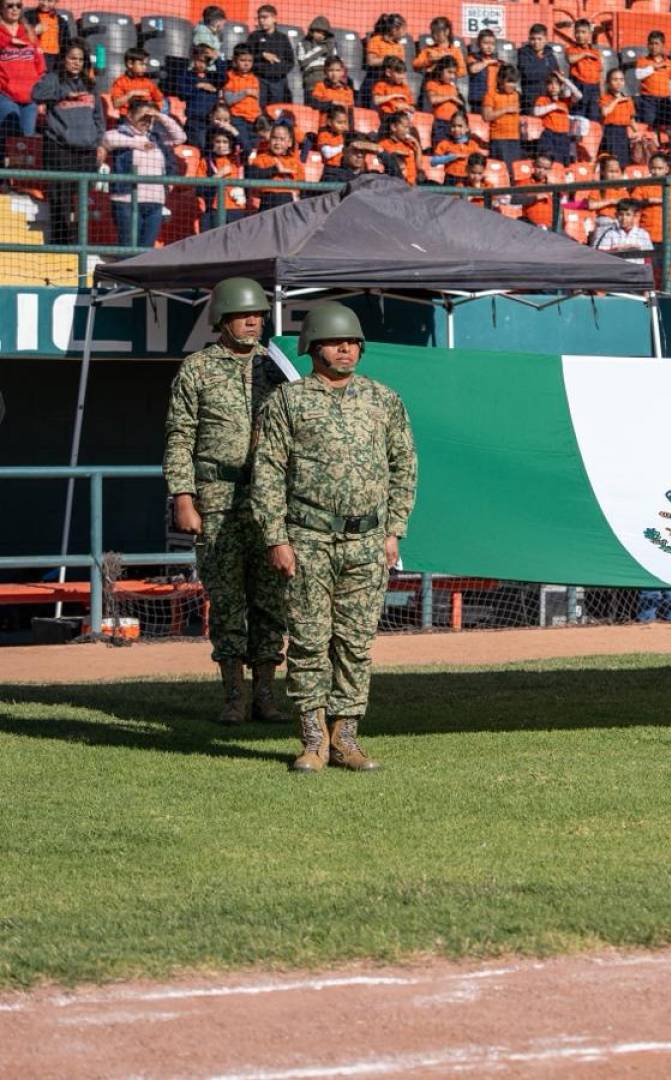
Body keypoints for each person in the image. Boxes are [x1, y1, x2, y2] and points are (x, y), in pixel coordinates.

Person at [253, 301, 417, 772]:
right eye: (335, 341)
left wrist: (394, 530)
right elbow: (267, 474)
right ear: (312, 347)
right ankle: (312, 739)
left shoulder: (383, 399)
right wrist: (275, 538)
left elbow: (404, 465)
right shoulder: (288, 401)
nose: (345, 349)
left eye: (352, 343)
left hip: (367, 543)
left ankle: (345, 736)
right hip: (307, 539)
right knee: (307, 640)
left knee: (355, 641)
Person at [164, 278, 289, 727]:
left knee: (271, 599)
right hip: (216, 498)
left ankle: (266, 695)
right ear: (222, 319)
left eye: (258, 315)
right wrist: (183, 496)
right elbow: (180, 436)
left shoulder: (277, 367)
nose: (253, 321)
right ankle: (234, 696)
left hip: (268, 499)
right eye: (243, 315)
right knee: (228, 599)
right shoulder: (197, 369)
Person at [31, 40, 102, 245]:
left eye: (80, 59)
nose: (76, 63)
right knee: (59, 199)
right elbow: (35, 94)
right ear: (63, 60)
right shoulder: (53, 79)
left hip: (87, 151)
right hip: (60, 149)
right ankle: (60, 245)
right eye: (72, 58)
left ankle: (80, 244)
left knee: (82, 202)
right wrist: (64, 93)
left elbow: (98, 117)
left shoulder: (89, 85)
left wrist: (98, 142)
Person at [102, 101, 185, 248]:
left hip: (155, 200)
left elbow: (180, 137)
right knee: (128, 247)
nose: (146, 120)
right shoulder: (120, 134)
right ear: (130, 116)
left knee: (146, 248)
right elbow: (107, 139)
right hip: (126, 199)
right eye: (143, 116)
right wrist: (137, 144)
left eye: (150, 117)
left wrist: (160, 117)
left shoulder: (157, 138)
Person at [0, 0, 44, 136]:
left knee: (25, 144)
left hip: (30, 97)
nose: (14, 9)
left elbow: (40, 64)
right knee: (8, 140)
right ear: (1, 9)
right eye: (10, 5)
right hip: (5, 94)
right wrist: (9, 41)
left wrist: (41, 94)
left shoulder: (28, 32)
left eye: (18, 6)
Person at [246, 3, 295, 107]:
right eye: (259, 18)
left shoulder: (282, 38)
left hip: (277, 82)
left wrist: (278, 71)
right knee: (260, 110)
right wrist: (262, 55)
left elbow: (290, 62)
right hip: (259, 80)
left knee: (276, 110)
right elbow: (246, 56)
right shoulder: (254, 36)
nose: (261, 20)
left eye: (265, 17)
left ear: (274, 18)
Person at [635, 30, 671, 128]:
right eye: (651, 44)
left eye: (656, 44)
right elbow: (638, 75)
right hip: (648, 100)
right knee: (649, 126)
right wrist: (653, 68)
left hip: (665, 101)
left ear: (663, 45)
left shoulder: (669, 63)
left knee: (666, 127)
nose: (653, 47)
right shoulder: (642, 61)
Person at [296, 16, 336, 92]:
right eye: (318, 32)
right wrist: (321, 49)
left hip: (327, 78)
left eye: (323, 33)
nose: (320, 35)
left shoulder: (331, 45)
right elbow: (303, 61)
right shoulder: (302, 44)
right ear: (312, 31)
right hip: (311, 77)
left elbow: (334, 62)